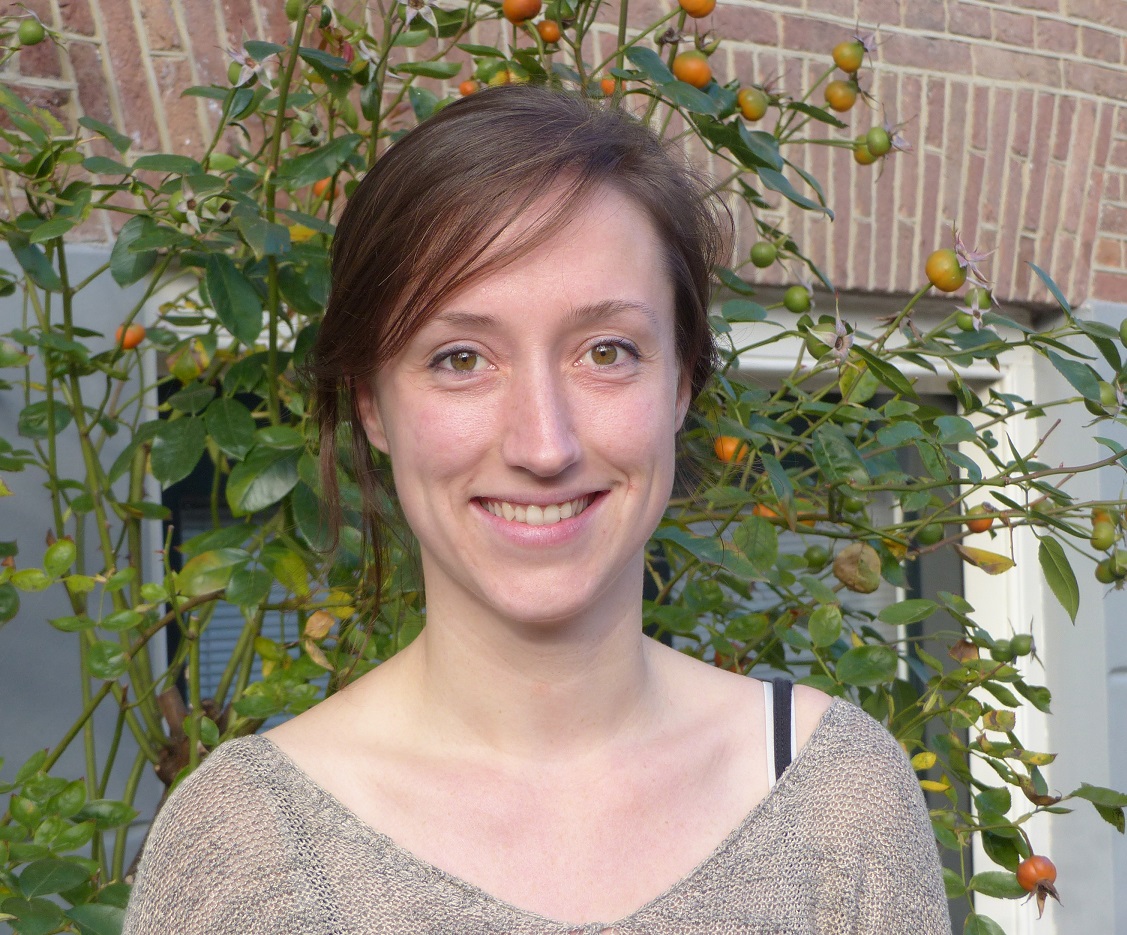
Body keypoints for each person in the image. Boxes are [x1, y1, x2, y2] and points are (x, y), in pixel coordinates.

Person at [123, 85, 952, 934]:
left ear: (680, 383)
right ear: (370, 403)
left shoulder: (836, 800)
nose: (543, 444)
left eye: (606, 351)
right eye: (460, 358)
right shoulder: (241, 847)